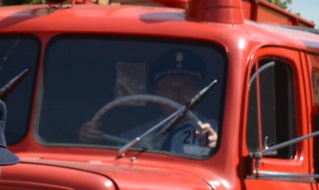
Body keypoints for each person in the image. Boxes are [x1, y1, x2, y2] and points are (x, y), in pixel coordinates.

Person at [77, 48, 220, 155]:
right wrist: (91, 139)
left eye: (186, 86)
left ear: (198, 92)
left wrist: (216, 146)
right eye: (168, 87)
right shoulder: (133, 135)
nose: (177, 94)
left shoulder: (218, 131)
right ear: (156, 94)